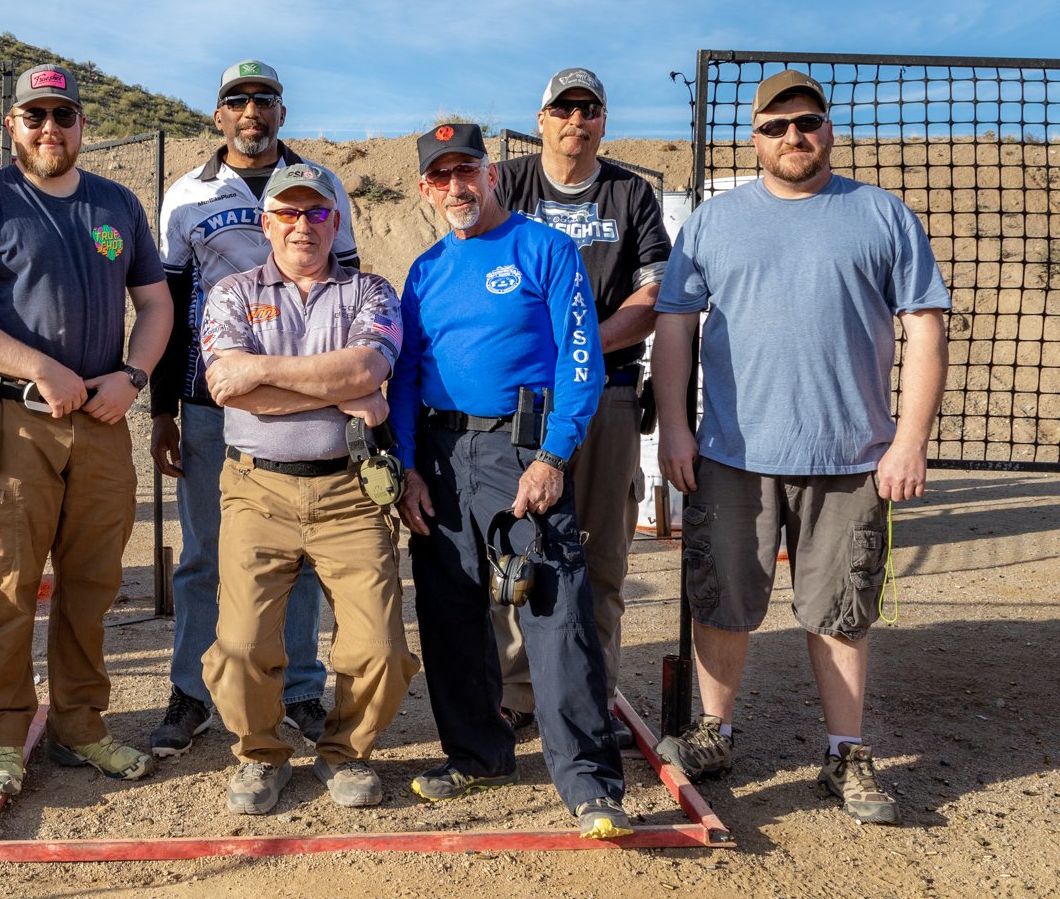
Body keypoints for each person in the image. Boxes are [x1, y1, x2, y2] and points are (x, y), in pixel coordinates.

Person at [652, 69, 949, 824]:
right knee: (722, 602)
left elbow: (925, 328)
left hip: (853, 459)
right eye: (777, 126)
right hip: (731, 455)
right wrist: (677, 430)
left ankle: (845, 751)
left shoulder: (882, 215)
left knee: (842, 610)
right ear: (754, 137)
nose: (794, 137)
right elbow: (677, 331)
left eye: (807, 122)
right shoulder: (715, 225)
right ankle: (715, 734)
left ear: (828, 129)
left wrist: (909, 441)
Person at [0, 64, 172, 798]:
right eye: (35, 117)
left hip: (100, 420)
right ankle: (2, 734)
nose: (50, 130)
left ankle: (80, 726)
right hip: (16, 420)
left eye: (62, 116)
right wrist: (42, 368)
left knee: (92, 584)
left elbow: (155, 305)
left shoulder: (117, 205)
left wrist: (131, 378)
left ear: (80, 125)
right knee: (9, 583)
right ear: (13, 126)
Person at [388, 121, 634, 841]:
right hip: (438, 453)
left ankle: (589, 784)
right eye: (441, 177)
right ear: (426, 188)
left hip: (521, 453)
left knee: (555, 616)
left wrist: (553, 457)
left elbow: (580, 362)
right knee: (451, 612)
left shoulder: (545, 250)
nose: (456, 187)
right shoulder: (425, 270)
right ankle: (478, 753)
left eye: (468, 172)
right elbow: (404, 376)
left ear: (492, 175)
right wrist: (406, 467)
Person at [149, 59, 360, 755]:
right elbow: (172, 309)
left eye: (264, 99)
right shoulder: (187, 194)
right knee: (207, 552)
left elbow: (350, 291)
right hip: (218, 399)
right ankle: (192, 690)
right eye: (236, 100)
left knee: (296, 550)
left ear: (281, 113)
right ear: (218, 116)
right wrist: (164, 410)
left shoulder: (325, 186)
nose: (251, 111)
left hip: (311, 398)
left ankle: (298, 689)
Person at [197, 162, 418, 813]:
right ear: (265, 223)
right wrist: (346, 394)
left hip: (350, 492)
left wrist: (266, 379)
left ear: (336, 221)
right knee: (240, 645)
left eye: (317, 213)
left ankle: (343, 753)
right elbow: (223, 384)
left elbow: (369, 364)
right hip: (255, 490)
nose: (303, 226)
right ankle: (261, 755)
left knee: (379, 645)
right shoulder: (231, 293)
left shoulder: (370, 292)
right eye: (288, 213)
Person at [493, 67, 671, 749]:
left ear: (603, 120)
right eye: (562, 107)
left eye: (589, 108)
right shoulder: (506, 184)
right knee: (513, 550)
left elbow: (652, 299)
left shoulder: (631, 193)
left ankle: (592, 697)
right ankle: (515, 695)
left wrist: (579, 347)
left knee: (598, 556)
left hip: (608, 394)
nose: (576, 118)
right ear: (540, 119)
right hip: (517, 398)